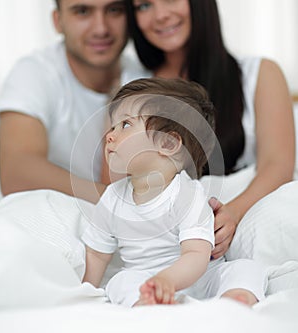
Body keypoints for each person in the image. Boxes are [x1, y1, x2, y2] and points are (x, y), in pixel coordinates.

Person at [125, 0, 295, 259]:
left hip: (246, 209)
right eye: (144, 6)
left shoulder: (260, 73)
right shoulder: (131, 89)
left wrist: (233, 213)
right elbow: (120, 181)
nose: (160, 15)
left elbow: (278, 165)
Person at [82, 77, 267, 307]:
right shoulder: (112, 199)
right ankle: (150, 304)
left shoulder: (187, 195)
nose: (110, 135)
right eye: (113, 126)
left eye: (126, 125)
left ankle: (234, 301)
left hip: (202, 280)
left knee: (247, 268)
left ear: (168, 144)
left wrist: (167, 280)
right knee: (120, 281)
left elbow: (196, 255)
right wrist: (84, 291)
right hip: (146, 283)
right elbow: (97, 254)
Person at [0, 0, 149, 203]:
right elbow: (17, 173)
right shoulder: (34, 73)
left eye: (114, 10)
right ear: (57, 21)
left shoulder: (143, 80)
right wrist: (117, 204)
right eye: (83, 11)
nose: (101, 28)